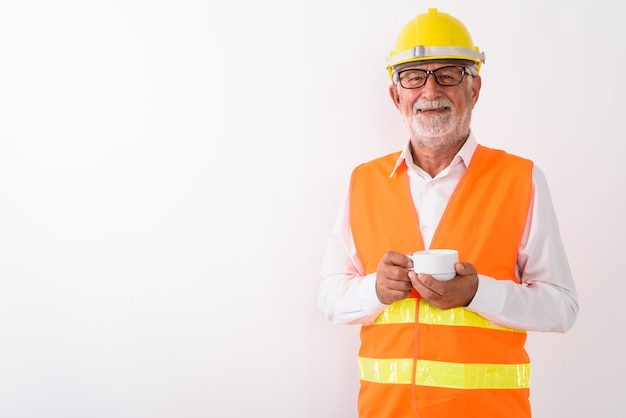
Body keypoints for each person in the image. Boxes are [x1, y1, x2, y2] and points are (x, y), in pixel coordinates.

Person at [318, 8, 579, 418]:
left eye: (448, 74)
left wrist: (478, 294)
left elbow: (562, 308)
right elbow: (330, 297)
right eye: (413, 76)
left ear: (474, 89)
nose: (430, 90)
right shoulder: (363, 181)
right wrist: (374, 290)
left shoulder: (520, 178)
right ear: (396, 95)